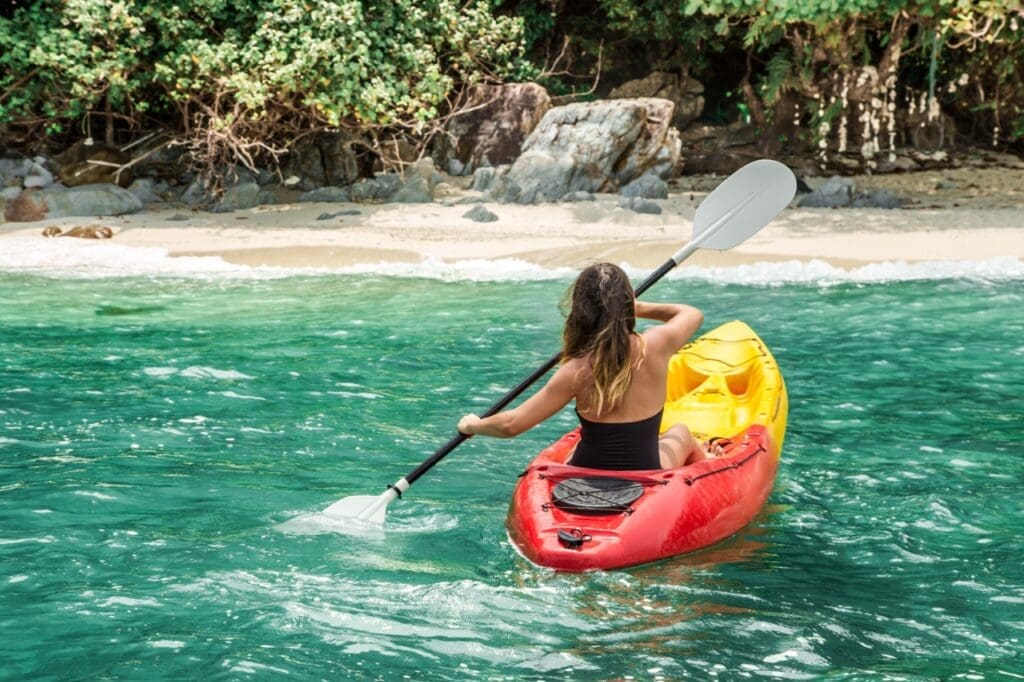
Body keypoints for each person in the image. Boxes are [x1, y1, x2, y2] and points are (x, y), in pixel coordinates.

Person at [457, 261, 721, 470]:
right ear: (627, 305)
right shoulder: (657, 344)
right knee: (680, 432)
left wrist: (473, 426)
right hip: (647, 469)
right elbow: (691, 314)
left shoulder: (575, 370)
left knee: (577, 445)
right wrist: (636, 307)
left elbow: (511, 425)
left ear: (581, 311)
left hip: (585, 467)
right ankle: (706, 463)